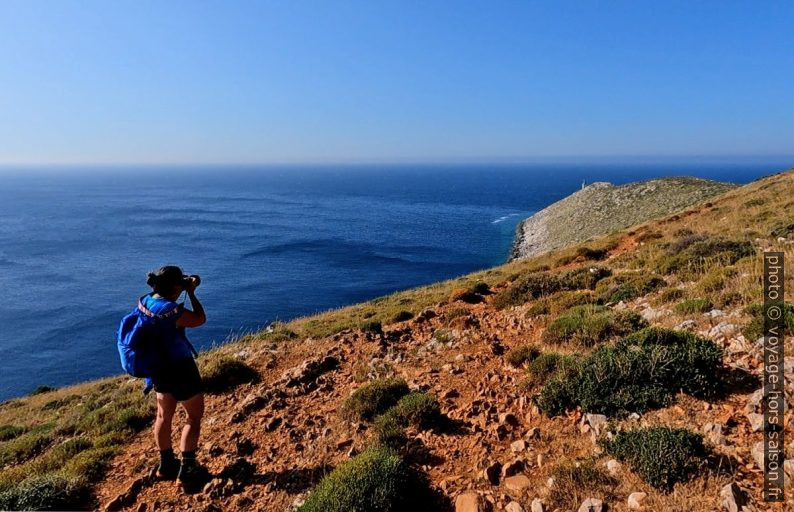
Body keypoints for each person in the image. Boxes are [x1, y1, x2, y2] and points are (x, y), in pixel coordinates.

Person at [141, 265, 207, 487]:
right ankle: (187, 469)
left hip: (158, 368)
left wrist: (184, 285)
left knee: (163, 416)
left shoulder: (147, 302)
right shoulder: (172, 312)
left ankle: (166, 464)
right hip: (180, 367)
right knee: (193, 416)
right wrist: (191, 293)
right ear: (176, 287)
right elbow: (199, 319)